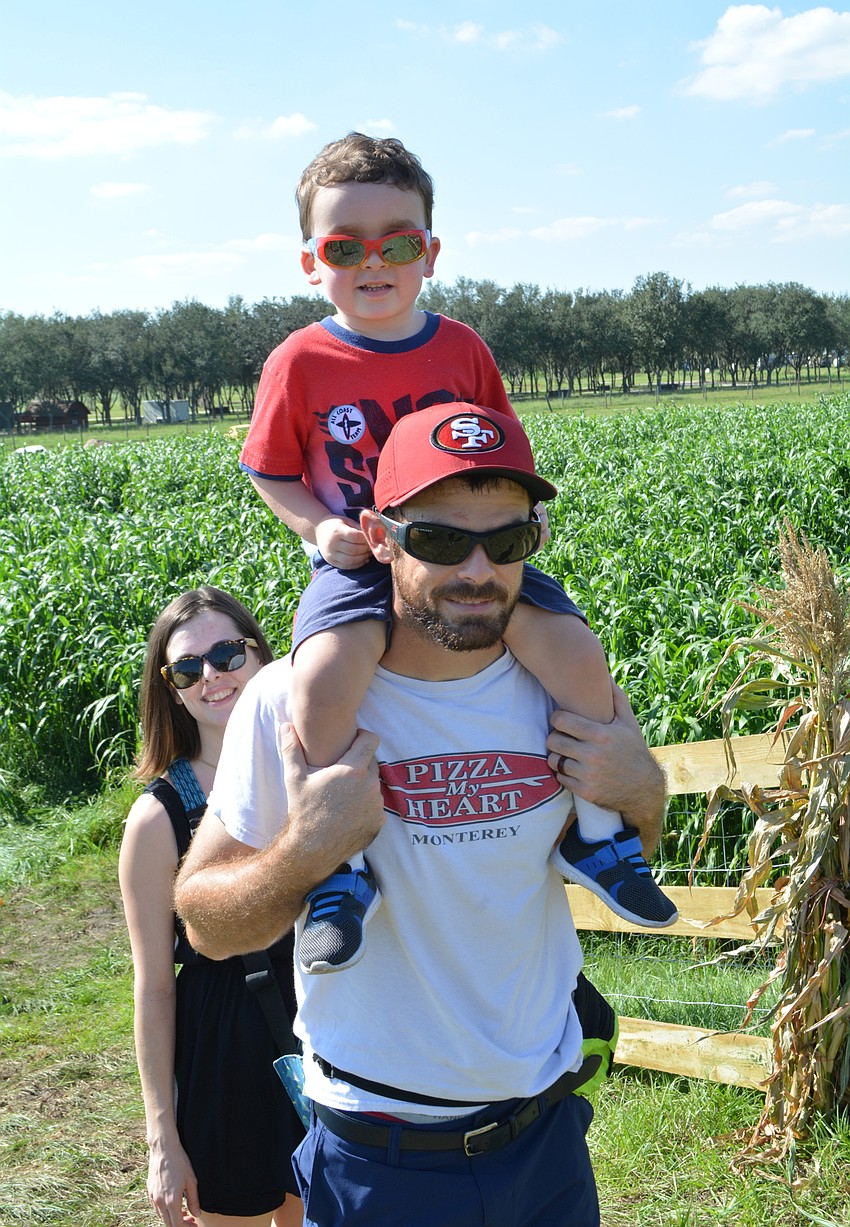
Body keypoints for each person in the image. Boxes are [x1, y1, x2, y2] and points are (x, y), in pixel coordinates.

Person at [174, 403, 671, 1227]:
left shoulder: (560, 684)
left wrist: (643, 791)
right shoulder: (286, 703)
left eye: (506, 542)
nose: (477, 570)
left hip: (546, 1138)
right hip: (382, 1156)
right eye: (440, 541)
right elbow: (205, 925)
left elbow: (629, 846)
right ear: (379, 536)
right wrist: (307, 851)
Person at [238, 132, 675, 972]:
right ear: (309, 263)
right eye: (345, 246)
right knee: (323, 678)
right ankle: (339, 870)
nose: (375, 261)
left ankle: (598, 836)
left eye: (398, 241)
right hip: (364, 559)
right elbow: (270, 468)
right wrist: (315, 529)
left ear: (430, 253)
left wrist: (510, 528)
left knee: (575, 652)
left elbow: (506, 450)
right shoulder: (299, 359)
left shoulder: (462, 348)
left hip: (469, 546)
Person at [118, 587, 304, 1227]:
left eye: (227, 654)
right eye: (188, 668)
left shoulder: (316, 765)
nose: (213, 677)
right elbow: (154, 987)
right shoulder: (158, 817)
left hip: (333, 1026)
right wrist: (162, 1139)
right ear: (171, 688)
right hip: (224, 1053)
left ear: (260, 654)